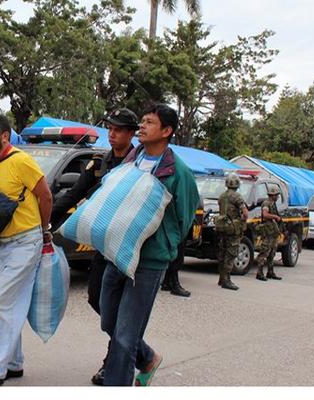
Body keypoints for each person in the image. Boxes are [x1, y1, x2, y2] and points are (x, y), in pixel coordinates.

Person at [100, 104, 199, 386]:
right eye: (142, 121)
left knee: (124, 336)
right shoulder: (131, 160)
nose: (142, 126)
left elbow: (184, 217)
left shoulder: (178, 172)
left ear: (166, 131)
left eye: (149, 123)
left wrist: (161, 243)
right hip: (118, 253)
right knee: (108, 322)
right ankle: (147, 358)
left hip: (148, 261)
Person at [49, 107, 138, 386]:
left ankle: (114, 360)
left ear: (131, 133)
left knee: (121, 305)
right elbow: (73, 194)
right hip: (104, 244)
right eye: (110, 128)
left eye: (119, 129)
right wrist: (45, 220)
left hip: (131, 245)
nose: (112, 134)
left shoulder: (141, 163)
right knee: (97, 298)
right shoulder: (100, 163)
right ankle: (136, 347)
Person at [0, 114, 53, 386]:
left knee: (5, 303)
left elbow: (45, 195)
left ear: (4, 136)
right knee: (1, 303)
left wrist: (43, 231)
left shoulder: (20, 161)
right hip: (0, 244)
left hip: (25, 242)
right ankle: (14, 363)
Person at [217, 173, 248, 290]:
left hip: (222, 228)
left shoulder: (221, 196)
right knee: (230, 254)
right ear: (237, 184)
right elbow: (245, 213)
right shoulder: (237, 197)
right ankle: (226, 280)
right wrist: (241, 221)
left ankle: (221, 278)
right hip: (233, 230)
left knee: (222, 253)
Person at [255, 185, 283, 281]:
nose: (278, 197)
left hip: (273, 232)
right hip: (267, 232)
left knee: (272, 252)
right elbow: (265, 215)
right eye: (277, 195)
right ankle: (259, 273)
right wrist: (275, 217)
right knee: (264, 252)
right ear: (273, 195)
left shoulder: (272, 203)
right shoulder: (266, 203)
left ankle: (270, 272)